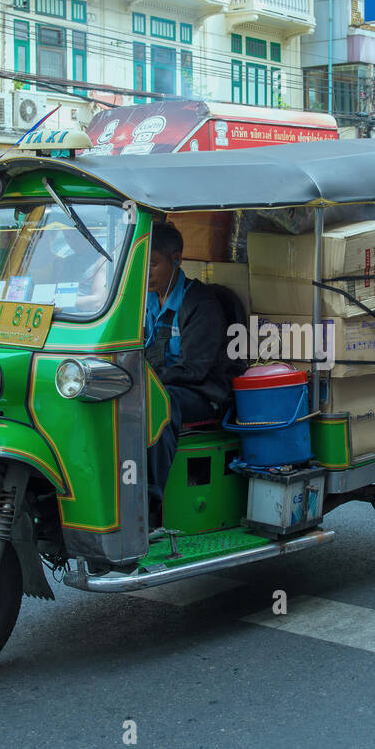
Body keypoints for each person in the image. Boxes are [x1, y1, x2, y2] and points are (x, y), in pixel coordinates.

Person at [144, 221, 232, 524]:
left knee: (158, 404)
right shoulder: (144, 302)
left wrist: (145, 381)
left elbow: (194, 369)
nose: (147, 272)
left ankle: (150, 504)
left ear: (176, 259)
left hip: (203, 393)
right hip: (159, 383)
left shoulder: (200, 303)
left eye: (153, 264)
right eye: (142, 264)